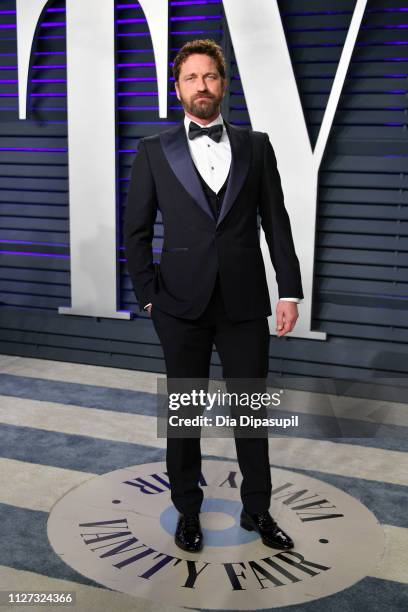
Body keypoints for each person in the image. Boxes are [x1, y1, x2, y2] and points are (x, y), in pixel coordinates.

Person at [124, 39, 303, 553]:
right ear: (177, 88)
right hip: (179, 306)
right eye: (191, 78)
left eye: (210, 77)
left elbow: (277, 223)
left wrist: (288, 291)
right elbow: (135, 231)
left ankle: (258, 510)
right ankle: (187, 511)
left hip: (245, 304)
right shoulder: (154, 150)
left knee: (250, 412)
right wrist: (149, 297)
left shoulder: (256, 145)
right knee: (184, 416)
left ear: (224, 84)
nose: (202, 87)